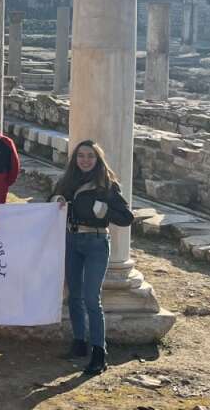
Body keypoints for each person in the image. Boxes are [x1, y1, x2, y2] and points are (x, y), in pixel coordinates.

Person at [51, 140, 134, 376]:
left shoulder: (107, 185)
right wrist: (56, 201)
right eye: (81, 156)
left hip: (96, 242)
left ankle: (99, 351)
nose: (85, 160)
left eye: (90, 156)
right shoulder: (67, 182)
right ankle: (79, 343)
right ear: (75, 159)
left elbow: (126, 217)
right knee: (74, 295)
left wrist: (105, 211)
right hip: (72, 240)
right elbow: (53, 198)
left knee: (91, 298)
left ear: (98, 160)